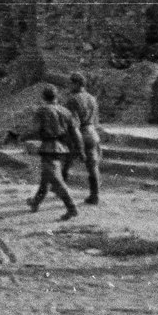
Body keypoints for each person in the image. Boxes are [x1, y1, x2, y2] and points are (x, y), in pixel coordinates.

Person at [26, 84, 83, 218]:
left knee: (56, 179)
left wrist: (24, 135)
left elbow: (34, 130)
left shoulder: (41, 111)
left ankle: (72, 208)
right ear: (57, 97)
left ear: (43, 97)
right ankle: (35, 202)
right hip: (62, 148)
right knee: (46, 177)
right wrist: (80, 149)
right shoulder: (66, 111)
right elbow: (75, 133)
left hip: (49, 147)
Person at [61, 72, 103, 205]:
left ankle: (60, 189)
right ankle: (95, 195)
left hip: (78, 135)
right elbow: (96, 121)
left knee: (66, 162)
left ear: (77, 84)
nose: (69, 86)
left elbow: (73, 124)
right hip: (92, 134)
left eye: (71, 83)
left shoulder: (72, 100)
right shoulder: (92, 98)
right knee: (93, 167)